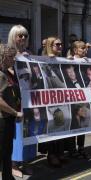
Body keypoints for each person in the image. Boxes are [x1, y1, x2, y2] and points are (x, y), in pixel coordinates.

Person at [7, 24, 33, 177]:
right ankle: (13, 163)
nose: (23, 38)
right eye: (20, 35)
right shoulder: (8, 53)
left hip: (30, 99)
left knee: (29, 130)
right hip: (14, 99)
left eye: (25, 35)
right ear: (13, 37)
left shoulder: (29, 53)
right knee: (16, 132)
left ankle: (26, 161)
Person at [41, 36, 68, 167]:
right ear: (50, 46)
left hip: (63, 98)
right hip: (51, 100)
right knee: (54, 124)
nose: (60, 46)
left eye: (61, 44)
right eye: (57, 44)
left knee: (64, 123)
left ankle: (60, 152)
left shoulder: (62, 60)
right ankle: (51, 154)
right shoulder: (44, 61)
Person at [0, 44, 23, 180]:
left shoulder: (6, 73)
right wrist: (15, 113)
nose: (13, 60)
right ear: (3, 57)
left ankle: (8, 176)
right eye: (11, 57)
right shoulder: (1, 75)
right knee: (5, 151)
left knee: (6, 151)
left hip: (7, 118)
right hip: (4, 119)